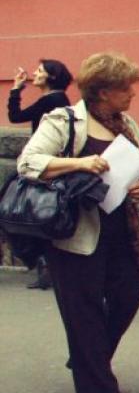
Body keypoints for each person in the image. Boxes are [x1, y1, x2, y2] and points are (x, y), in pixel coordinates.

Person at [16, 52, 139, 393]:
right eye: (125, 88)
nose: (133, 93)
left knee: (129, 293)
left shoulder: (125, 123)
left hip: (121, 229)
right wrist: (80, 162)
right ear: (103, 91)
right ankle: (103, 389)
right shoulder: (64, 120)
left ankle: (87, 358)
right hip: (74, 231)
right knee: (84, 309)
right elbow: (28, 162)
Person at [8, 58, 73, 289]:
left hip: (45, 165)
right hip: (46, 163)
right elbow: (16, 117)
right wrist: (16, 88)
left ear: (51, 77)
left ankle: (41, 263)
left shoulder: (53, 100)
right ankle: (44, 266)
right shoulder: (55, 99)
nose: (34, 73)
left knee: (25, 210)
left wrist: (16, 90)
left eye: (39, 71)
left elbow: (16, 117)